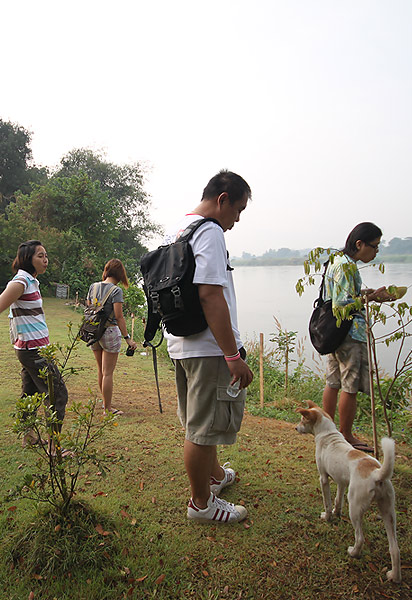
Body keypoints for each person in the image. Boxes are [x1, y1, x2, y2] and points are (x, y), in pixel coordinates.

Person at [165, 170, 254, 524]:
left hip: (182, 344)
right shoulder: (211, 231)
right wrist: (232, 355)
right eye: (238, 210)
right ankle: (201, 503)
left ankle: (215, 477)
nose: (236, 220)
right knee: (202, 430)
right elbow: (210, 294)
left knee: (200, 421)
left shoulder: (181, 229)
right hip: (207, 348)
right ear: (223, 199)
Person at [0, 240, 69, 449]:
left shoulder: (31, 281)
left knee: (30, 394)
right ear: (28, 259)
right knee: (57, 394)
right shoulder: (20, 281)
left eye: (46, 255)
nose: (45, 260)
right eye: (40, 256)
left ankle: (29, 437)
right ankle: (55, 448)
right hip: (33, 350)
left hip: (32, 349)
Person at [321, 222, 394, 452]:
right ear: (359, 244)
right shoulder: (347, 267)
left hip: (334, 331)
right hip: (349, 332)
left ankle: (327, 430)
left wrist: (369, 294)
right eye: (374, 246)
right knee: (349, 385)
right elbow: (342, 303)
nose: (375, 252)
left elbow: (341, 295)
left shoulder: (336, 261)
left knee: (333, 381)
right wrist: (369, 299)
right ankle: (345, 435)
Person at [86, 259, 138, 415]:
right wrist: (127, 337)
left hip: (94, 331)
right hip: (109, 332)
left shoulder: (93, 286)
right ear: (121, 273)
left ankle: (105, 403)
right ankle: (107, 409)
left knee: (101, 371)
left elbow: (89, 307)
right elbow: (119, 316)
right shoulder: (116, 291)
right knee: (108, 372)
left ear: (107, 270)